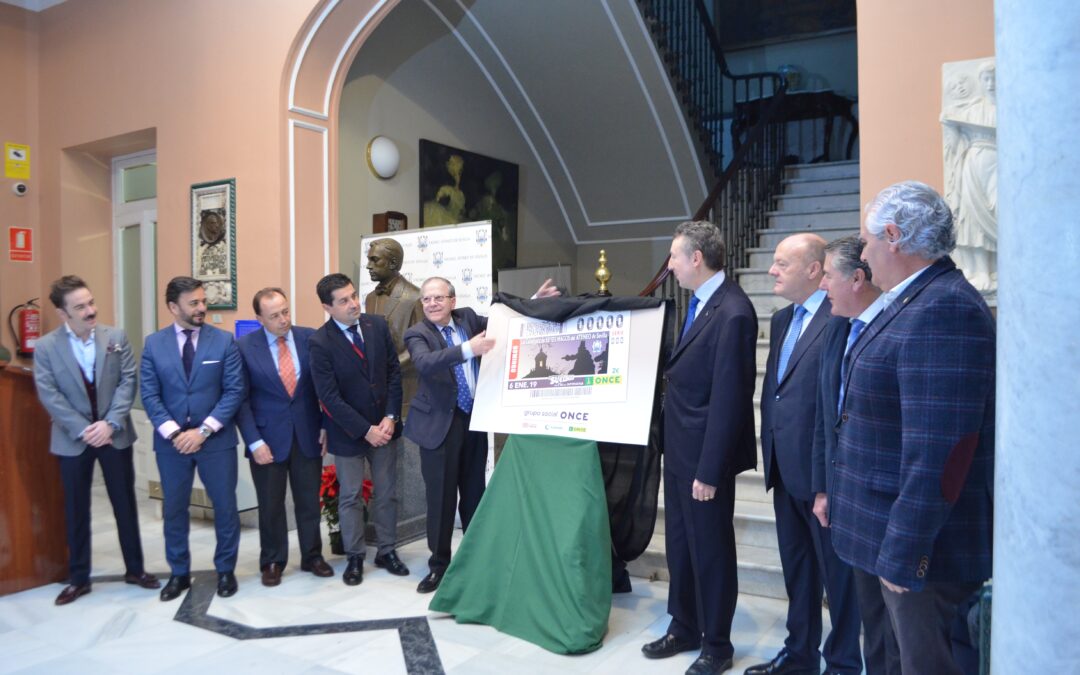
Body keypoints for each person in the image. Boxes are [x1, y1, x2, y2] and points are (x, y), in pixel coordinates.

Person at [832, 181, 995, 675]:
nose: (863, 255)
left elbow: (940, 451)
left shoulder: (944, 307)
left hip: (921, 549)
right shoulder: (912, 300)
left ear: (894, 237)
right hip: (882, 530)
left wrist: (907, 551)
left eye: (867, 241)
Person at [641, 221, 757, 675]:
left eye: (674, 256)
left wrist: (710, 470)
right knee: (680, 545)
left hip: (705, 457)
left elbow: (730, 399)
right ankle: (684, 624)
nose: (669, 264)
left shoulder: (734, 311)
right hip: (679, 448)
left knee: (711, 550)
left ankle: (718, 644)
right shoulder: (699, 304)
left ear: (696, 258)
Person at [748, 234, 863, 675]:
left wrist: (825, 485)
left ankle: (843, 663)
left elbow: (834, 406)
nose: (772, 270)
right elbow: (778, 392)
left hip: (820, 477)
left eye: (782, 263)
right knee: (798, 571)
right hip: (783, 467)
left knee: (838, 579)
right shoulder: (782, 319)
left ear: (814, 270)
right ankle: (799, 655)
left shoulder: (839, 318)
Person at [404, 276, 560, 594]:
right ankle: (439, 566)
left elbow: (505, 322)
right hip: (439, 427)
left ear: (452, 300)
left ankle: (476, 561)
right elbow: (425, 363)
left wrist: (534, 300)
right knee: (441, 500)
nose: (431, 304)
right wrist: (468, 349)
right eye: (426, 299)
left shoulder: (468, 318)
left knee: (474, 494)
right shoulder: (417, 333)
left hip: (473, 421)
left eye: (438, 298)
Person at [32, 275, 160, 605]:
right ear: (63, 314)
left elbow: (127, 381)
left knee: (124, 504)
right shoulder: (46, 347)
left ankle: (135, 569)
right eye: (80, 307)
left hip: (114, 436)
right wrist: (84, 429)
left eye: (90, 302)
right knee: (76, 509)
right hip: (73, 440)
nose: (90, 311)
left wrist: (110, 423)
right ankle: (79, 579)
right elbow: (49, 394)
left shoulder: (115, 337)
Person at [812, 236, 898, 675]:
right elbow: (826, 417)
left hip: (886, 503)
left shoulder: (895, 325)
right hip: (847, 498)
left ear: (857, 279)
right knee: (872, 624)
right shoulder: (838, 327)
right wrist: (824, 488)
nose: (822, 284)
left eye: (828, 275)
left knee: (895, 631)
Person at [140, 276, 246, 601]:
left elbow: (234, 390)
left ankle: (225, 570)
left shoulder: (223, 341)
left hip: (216, 440)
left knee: (225, 507)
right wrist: (175, 433)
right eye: (194, 303)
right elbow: (149, 394)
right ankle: (179, 573)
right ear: (173, 307)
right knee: (174, 509)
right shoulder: (153, 344)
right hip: (171, 444)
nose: (202, 308)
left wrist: (203, 431)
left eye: (203, 301)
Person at [309, 273, 405, 585]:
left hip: (385, 427)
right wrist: (365, 430)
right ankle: (354, 556)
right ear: (327, 307)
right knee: (350, 496)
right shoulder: (320, 342)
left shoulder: (376, 325)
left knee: (387, 493)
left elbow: (393, 373)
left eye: (353, 295)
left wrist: (391, 416)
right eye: (343, 301)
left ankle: (387, 550)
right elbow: (329, 397)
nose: (353, 304)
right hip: (348, 433)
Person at [235, 288, 334, 586]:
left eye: (285, 312)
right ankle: (273, 560)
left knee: (309, 501)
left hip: (307, 434)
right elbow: (241, 400)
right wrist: (254, 441)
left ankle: (312, 556)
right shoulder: (244, 347)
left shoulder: (309, 338)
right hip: (266, 439)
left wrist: (325, 425)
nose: (283, 320)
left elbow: (324, 387)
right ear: (259, 318)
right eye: (274, 316)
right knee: (270, 505)